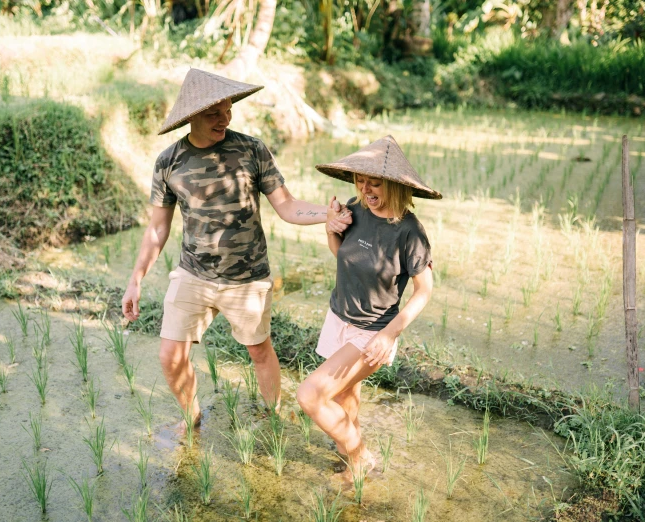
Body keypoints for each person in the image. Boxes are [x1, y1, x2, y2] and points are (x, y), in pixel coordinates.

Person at [121, 68, 351, 436]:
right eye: (214, 113)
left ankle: (275, 416)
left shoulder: (251, 148)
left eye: (228, 109)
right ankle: (192, 417)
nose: (224, 118)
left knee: (259, 351)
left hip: (247, 278)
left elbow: (287, 206)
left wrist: (328, 214)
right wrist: (135, 281)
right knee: (170, 355)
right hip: (193, 273)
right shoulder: (169, 162)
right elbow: (157, 227)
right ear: (191, 116)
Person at [296, 135, 441, 480]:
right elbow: (344, 256)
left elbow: (424, 291)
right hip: (339, 316)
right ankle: (350, 459)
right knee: (345, 394)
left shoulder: (410, 233)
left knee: (311, 395)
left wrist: (389, 336)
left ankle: (361, 457)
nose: (365, 188)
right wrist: (332, 227)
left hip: (373, 330)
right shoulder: (355, 209)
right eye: (361, 180)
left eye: (374, 182)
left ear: (395, 185)